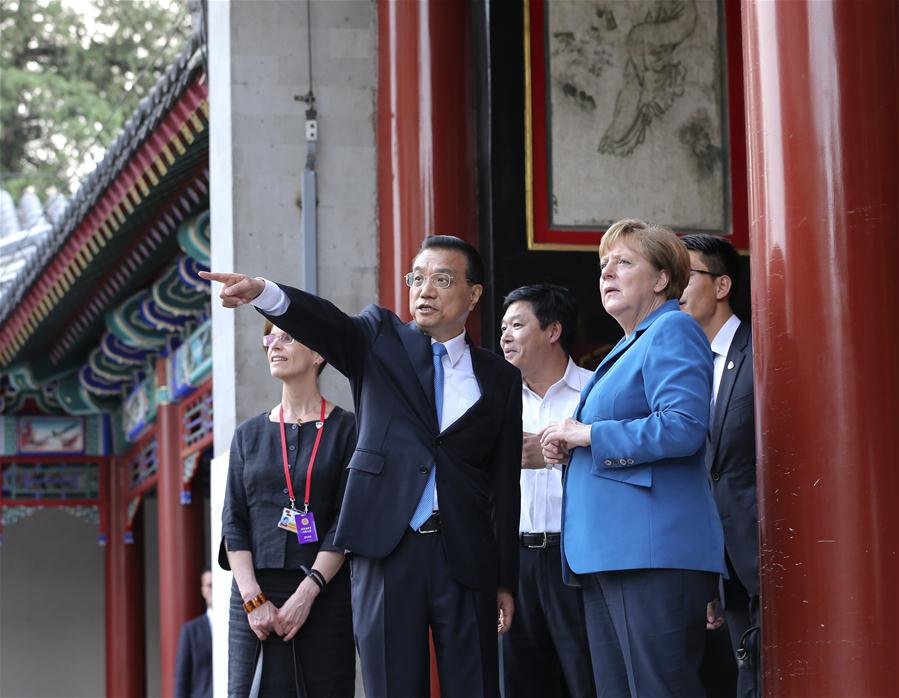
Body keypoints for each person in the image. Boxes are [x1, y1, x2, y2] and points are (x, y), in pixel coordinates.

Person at [201, 235, 522, 698]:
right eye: (417, 278)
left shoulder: (500, 378)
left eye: (442, 279)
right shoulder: (377, 338)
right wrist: (264, 294)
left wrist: (504, 580)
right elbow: (327, 322)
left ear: (473, 294)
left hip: (466, 558)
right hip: (386, 552)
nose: (425, 290)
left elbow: (503, 485)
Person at [540, 218, 726, 698]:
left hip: (652, 551)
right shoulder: (625, 346)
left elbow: (683, 428)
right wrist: (569, 447)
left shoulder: (673, 329)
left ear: (662, 279)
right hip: (608, 552)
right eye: (604, 264)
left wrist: (588, 435)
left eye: (623, 263)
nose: (607, 273)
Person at [220, 320, 356, 697]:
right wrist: (253, 598)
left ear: (318, 354)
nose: (274, 345)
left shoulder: (349, 430)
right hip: (253, 595)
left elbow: (347, 521)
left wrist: (308, 591)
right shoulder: (248, 434)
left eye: (288, 337)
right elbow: (233, 521)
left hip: (323, 591)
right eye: (270, 337)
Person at [499, 284, 597, 698]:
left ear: (553, 330)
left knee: (586, 678)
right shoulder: (495, 400)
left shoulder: (596, 392)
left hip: (576, 559)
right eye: (503, 326)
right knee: (518, 682)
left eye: (517, 325)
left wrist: (560, 456)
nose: (504, 335)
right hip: (514, 561)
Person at [681, 233, 759, 698]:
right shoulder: (682, 364)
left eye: (686, 276)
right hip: (716, 561)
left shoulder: (761, 349)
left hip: (765, 552)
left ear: (722, 284)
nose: (675, 289)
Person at [175, 570, 213, 698]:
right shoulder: (190, 630)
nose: (214, 590)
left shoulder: (237, 626)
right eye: (210, 585)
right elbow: (181, 679)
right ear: (203, 590)